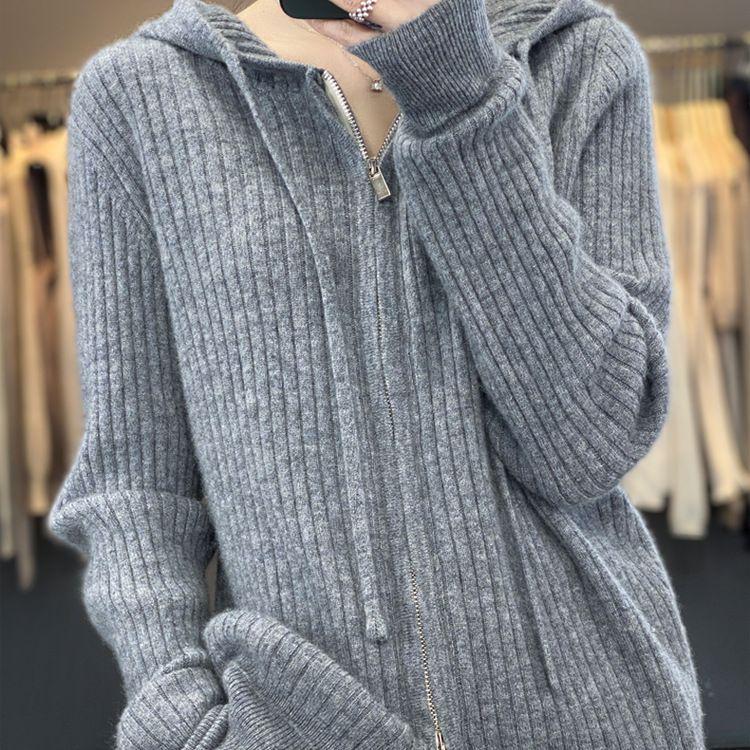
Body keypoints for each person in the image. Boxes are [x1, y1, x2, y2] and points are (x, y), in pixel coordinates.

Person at [46, 0, 707, 747]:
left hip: (597, 716)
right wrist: (181, 725)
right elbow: (135, 487)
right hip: (300, 726)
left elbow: (591, 442)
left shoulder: (575, 58)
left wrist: (456, 86)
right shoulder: (142, 94)